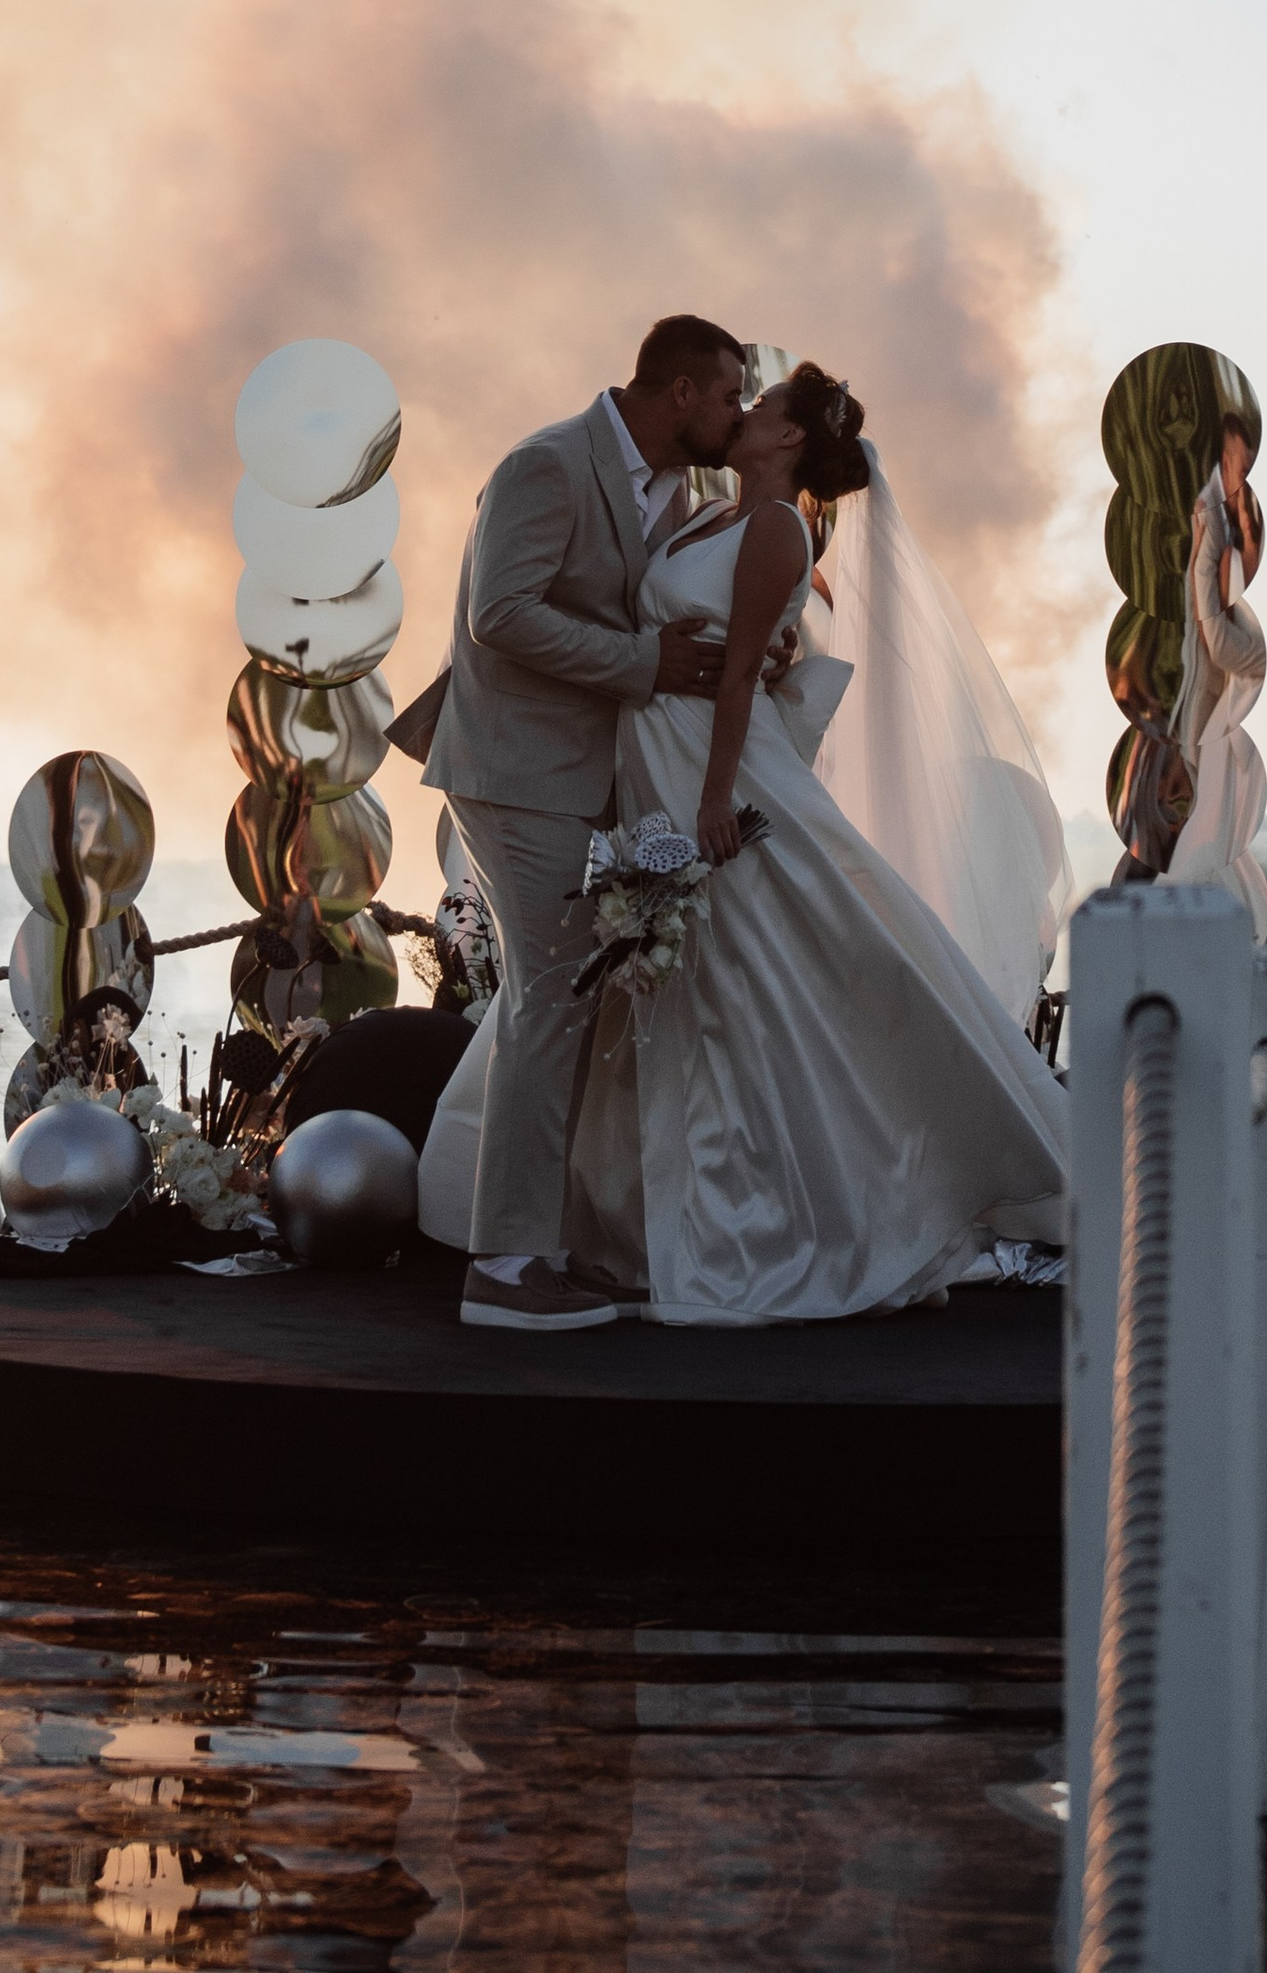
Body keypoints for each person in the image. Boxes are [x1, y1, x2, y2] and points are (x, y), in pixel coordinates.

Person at [558, 362, 1074, 1323]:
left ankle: (779, 1215)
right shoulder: (708, 517)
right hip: (656, 754)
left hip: (720, 771)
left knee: (749, 972)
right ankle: (653, 1219)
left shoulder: (776, 528)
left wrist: (715, 800)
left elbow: (745, 672)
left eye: (762, 406)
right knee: (694, 974)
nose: (745, 412)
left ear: (790, 438)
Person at [407, 316, 781, 1331]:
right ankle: (507, 1265)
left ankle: (551, 1241)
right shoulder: (545, 463)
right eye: (729, 393)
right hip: (513, 769)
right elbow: (503, 612)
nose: (738, 411)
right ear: (678, 395)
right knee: (550, 999)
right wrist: (644, 664)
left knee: (570, 999)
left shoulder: (683, 491)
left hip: (592, 777)